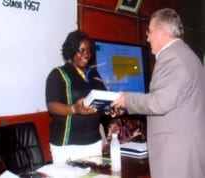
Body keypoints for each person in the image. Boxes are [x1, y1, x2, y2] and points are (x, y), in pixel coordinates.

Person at [111, 8, 205, 178]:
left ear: (161, 33)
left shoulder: (172, 57)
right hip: (186, 149)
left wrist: (127, 100)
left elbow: (159, 103)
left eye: (149, 32)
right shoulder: (189, 55)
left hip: (176, 155)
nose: (147, 38)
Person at [45, 30, 110, 163]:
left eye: (89, 50)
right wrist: (74, 108)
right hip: (67, 146)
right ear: (71, 51)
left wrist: (110, 108)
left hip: (93, 143)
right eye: (81, 50)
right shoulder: (58, 74)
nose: (86, 54)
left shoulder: (94, 74)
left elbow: (103, 100)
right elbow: (52, 106)